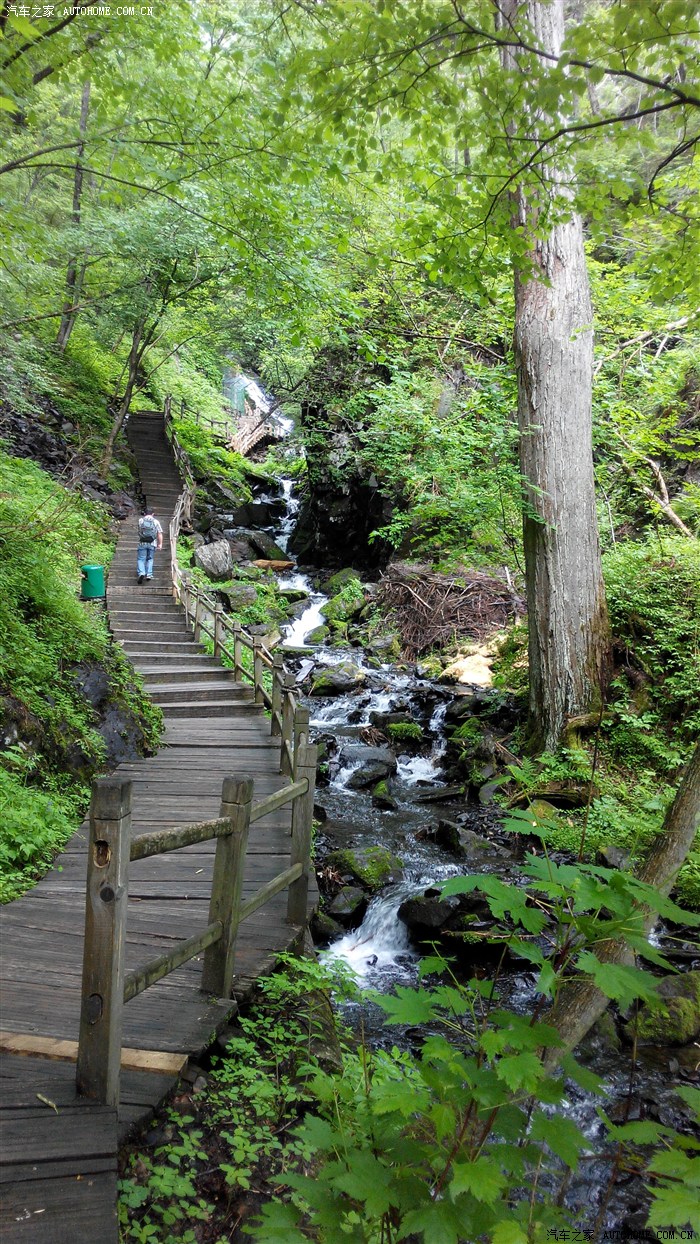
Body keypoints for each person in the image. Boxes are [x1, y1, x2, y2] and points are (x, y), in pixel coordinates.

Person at [136, 510, 163, 584]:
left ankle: (141, 572)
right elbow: (159, 533)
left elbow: (139, 531)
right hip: (152, 543)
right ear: (153, 514)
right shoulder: (156, 522)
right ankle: (149, 574)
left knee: (141, 559)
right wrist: (160, 544)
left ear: (144, 513)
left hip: (142, 543)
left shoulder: (140, 520)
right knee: (150, 559)